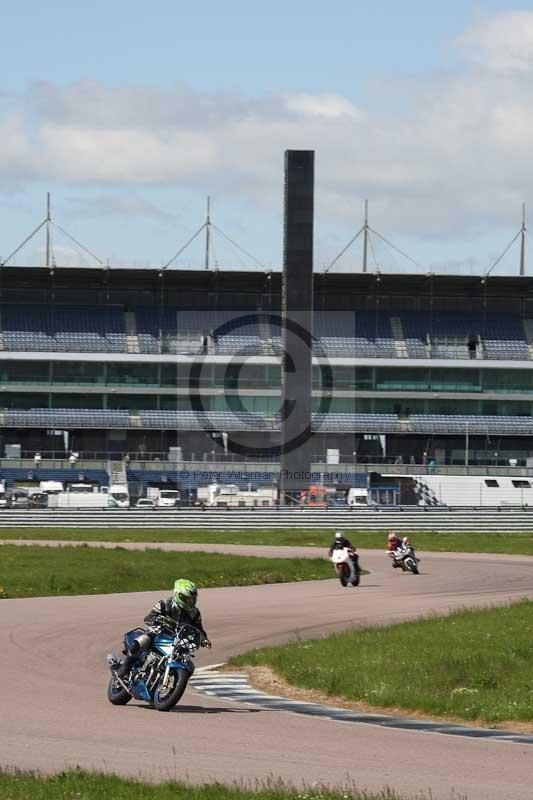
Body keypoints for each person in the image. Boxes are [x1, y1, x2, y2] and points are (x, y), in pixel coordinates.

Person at [116, 579, 211, 677]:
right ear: (179, 595)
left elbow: (199, 629)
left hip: (178, 639)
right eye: (188, 599)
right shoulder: (164, 604)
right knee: (143, 640)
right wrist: (157, 620)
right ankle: (125, 667)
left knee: (190, 667)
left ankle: (169, 681)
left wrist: (204, 640)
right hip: (159, 632)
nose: (191, 602)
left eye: (192, 599)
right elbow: (149, 618)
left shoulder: (195, 613)